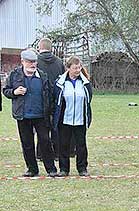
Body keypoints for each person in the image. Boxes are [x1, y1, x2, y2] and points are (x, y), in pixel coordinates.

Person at [2, 49, 58, 177]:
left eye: (34, 62)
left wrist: (50, 111)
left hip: (41, 115)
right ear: (22, 62)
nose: (32, 64)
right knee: (27, 144)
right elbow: (6, 91)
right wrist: (14, 92)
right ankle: (32, 169)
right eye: (29, 62)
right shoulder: (14, 75)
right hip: (23, 115)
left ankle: (51, 169)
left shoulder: (43, 76)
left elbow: (49, 95)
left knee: (45, 141)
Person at [53, 56, 93, 177]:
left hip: (80, 119)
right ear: (68, 68)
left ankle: (82, 168)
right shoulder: (60, 83)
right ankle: (64, 169)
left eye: (79, 67)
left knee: (81, 145)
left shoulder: (85, 83)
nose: (77, 70)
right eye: (75, 68)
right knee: (63, 145)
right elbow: (56, 100)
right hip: (65, 119)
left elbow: (89, 99)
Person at [36, 37, 66, 160]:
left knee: (42, 127)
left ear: (40, 47)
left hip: (41, 99)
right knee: (56, 126)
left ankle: (41, 154)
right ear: (51, 48)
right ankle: (57, 153)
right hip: (56, 98)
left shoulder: (35, 61)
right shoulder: (59, 62)